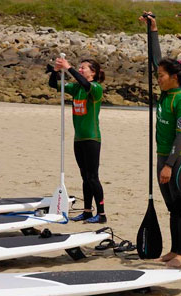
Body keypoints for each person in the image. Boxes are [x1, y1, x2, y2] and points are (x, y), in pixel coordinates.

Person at [140, 12, 181, 269]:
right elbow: (155, 60)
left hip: (177, 159)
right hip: (163, 156)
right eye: (158, 74)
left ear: (175, 77)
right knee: (171, 206)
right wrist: (153, 29)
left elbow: (180, 134)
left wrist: (169, 164)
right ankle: (173, 251)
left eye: (162, 75)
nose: (157, 77)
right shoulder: (165, 94)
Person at [48, 56, 107, 223]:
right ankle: (87, 211)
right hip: (79, 139)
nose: (80, 70)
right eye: (79, 68)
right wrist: (56, 71)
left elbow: (86, 84)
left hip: (91, 138)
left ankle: (102, 214)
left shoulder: (95, 88)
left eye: (84, 68)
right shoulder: (76, 89)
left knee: (93, 177)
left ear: (93, 73)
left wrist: (69, 68)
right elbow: (54, 85)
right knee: (85, 177)